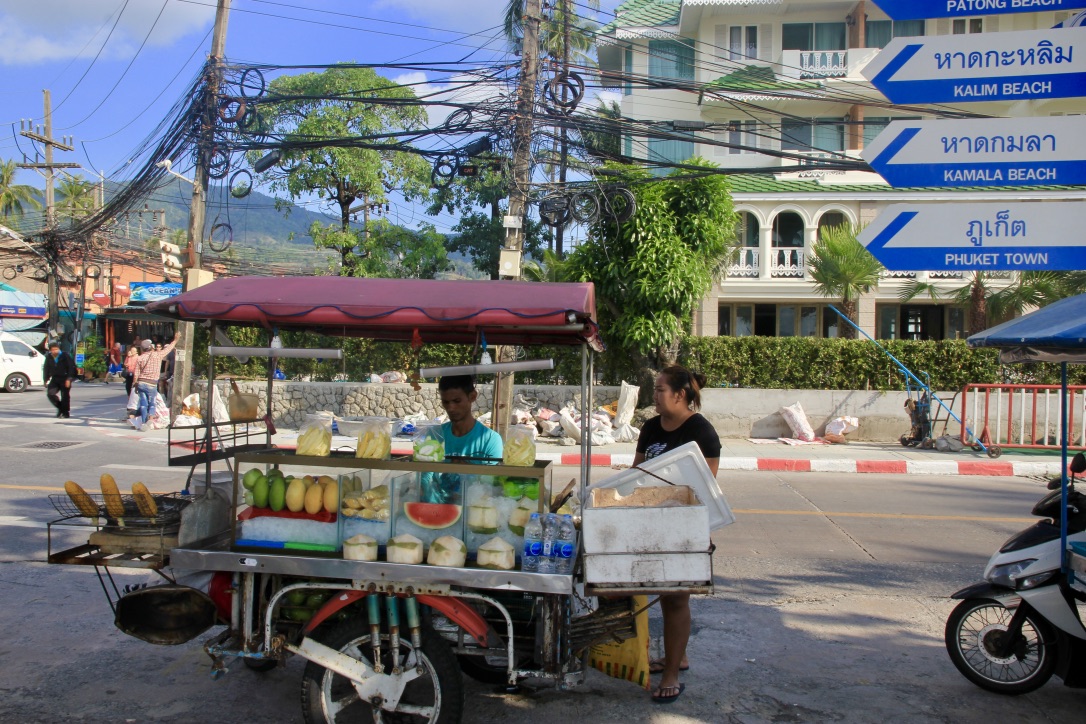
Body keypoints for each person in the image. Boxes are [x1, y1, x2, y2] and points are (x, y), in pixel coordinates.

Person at [632, 365, 721, 705]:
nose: (654, 395)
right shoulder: (651, 427)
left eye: (659, 389)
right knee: (655, 595)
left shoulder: (702, 431)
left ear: (679, 395)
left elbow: (704, 488)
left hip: (684, 525)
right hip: (650, 522)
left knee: (676, 598)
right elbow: (637, 471)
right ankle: (676, 657)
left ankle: (671, 673)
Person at [421, 375, 503, 503]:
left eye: (457, 401)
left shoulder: (491, 440)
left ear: (472, 396)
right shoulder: (434, 435)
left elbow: (493, 489)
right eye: (446, 402)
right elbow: (425, 481)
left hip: (474, 512)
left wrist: (468, 471)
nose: (451, 408)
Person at [131, 331, 180, 430]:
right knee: (152, 402)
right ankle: (151, 419)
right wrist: (175, 340)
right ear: (151, 347)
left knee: (144, 404)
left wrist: (135, 385)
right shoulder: (157, 355)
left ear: (142, 349)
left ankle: (144, 423)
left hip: (141, 383)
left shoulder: (140, 358)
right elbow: (169, 349)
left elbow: (136, 374)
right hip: (151, 383)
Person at [43, 341, 76, 419]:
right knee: (50, 394)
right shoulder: (49, 357)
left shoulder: (65, 355)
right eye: (53, 350)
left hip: (65, 378)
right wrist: (45, 379)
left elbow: (71, 367)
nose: (55, 351)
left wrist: (69, 379)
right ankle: (60, 408)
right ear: (50, 350)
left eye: (56, 349)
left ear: (59, 349)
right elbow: (46, 368)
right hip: (55, 378)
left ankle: (65, 413)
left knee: (65, 396)